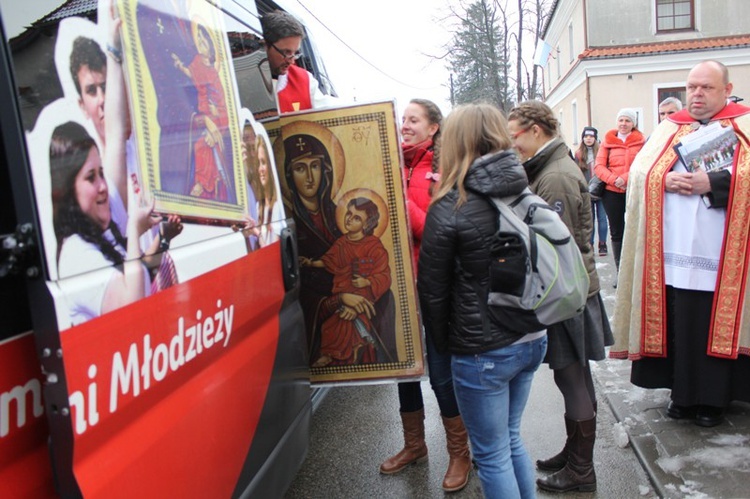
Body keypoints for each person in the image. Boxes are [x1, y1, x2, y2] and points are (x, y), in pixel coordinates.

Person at [610, 60, 750, 428]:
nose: (697, 94)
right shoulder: (671, 126)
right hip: (672, 249)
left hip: (724, 250)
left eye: (706, 87)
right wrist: (663, 181)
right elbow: (640, 172)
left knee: (710, 320)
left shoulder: (744, 124)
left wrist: (716, 183)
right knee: (681, 321)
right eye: (692, 87)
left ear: (726, 88)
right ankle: (682, 394)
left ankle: (714, 401)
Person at [418, 103, 547, 499]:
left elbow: (433, 292)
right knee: (509, 440)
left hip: (482, 350)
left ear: (453, 142)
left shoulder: (449, 206)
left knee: (491, 454)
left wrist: (443, 346)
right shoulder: (522, 190)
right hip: (531, 336)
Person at [507, 101, 613, 493]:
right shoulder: (550, 168)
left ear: (536, 130)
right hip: (570, 293)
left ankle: (581, 470)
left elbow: (557, 252)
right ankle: (574, 454)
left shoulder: (554, 177)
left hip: (567, 296)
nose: (511, 142)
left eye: (514, 134)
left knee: (573, 379)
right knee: (574, 377)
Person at [379, 99, 471, 493]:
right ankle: (414, 445)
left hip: (432, 286)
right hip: (395, 286)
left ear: (433, 127)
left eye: (413, 119)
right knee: (404, 369)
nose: (405, 125)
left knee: (441, 373)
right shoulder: (387, 163)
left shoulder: (447, 165)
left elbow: (441, 228)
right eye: (403, 119)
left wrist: (402, 206)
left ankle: (459, 453)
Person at [281, 132, 397, 366]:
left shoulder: (340, 216)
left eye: (315, 166)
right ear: (289, 175)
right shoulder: (285, 222)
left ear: (326, 170)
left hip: (360, 297)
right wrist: (339, 300)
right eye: (300, 168)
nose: (309, 177)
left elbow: (376, 268)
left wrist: (362, 298)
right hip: (322, 306)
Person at [50, 122, 177, 324]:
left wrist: (164, 237)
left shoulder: (99, 234)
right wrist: (134, 230)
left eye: (102, 173)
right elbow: (132, 309)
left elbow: (138, 277)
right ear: (68, 190)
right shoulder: (75, 254)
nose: (103, 186)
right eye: (91, 178)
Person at [301, 197, 391, 367]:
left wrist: (368, 281)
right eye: (349, 213)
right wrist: (311, 263)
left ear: (366, 224)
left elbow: (384, 274)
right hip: (343, 293)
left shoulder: (374, 246)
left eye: (357, 217)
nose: (349, 218)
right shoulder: (342, 243)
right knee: (330, 325)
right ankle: (330, 354)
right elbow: (329, 260)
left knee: (347, 325)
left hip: (364, 297)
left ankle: (356, 346)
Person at [172, 23, 233, 201]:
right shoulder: (197, 62)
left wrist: (216, 112)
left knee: (206, 143)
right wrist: (179, 66)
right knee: (202, 145)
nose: (201, 42)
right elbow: (191, 74)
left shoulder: (214, 71)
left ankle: (204, 182)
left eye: (204, 39)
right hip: (205, 110)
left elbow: (220, 99)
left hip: (217, 113)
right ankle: (204, 181)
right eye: (198, 39)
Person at [594, 107, 645, 275]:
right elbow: (599, 166)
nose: (624, 124)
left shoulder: (641, 143)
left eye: (627, 121)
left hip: (633, 190)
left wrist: (625, 178)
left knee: (636, 230)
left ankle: (636, 273)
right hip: (611, 192)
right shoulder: (607, 143)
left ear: (633, 124)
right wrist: (614, 180)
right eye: (621, 120)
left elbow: (644, 164)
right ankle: (621, 272)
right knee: (617, 231)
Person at [260, 10, 336, 113]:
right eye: (286, 52)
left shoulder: (305, 81)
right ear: (264, 46)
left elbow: (332, 111)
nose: (291, 61)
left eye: (295, 53)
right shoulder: (239, 78)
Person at [575, 127, 608, 256]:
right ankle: (591, 244)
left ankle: (603, 244)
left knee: (602, 218)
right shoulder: (578, 154)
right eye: (586, 136)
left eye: (591, 136)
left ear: (595, 138)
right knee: (589, 219)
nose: (588, 139)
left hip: (601, 189)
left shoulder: (601, 152)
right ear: (583, 138)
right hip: (586, 191)